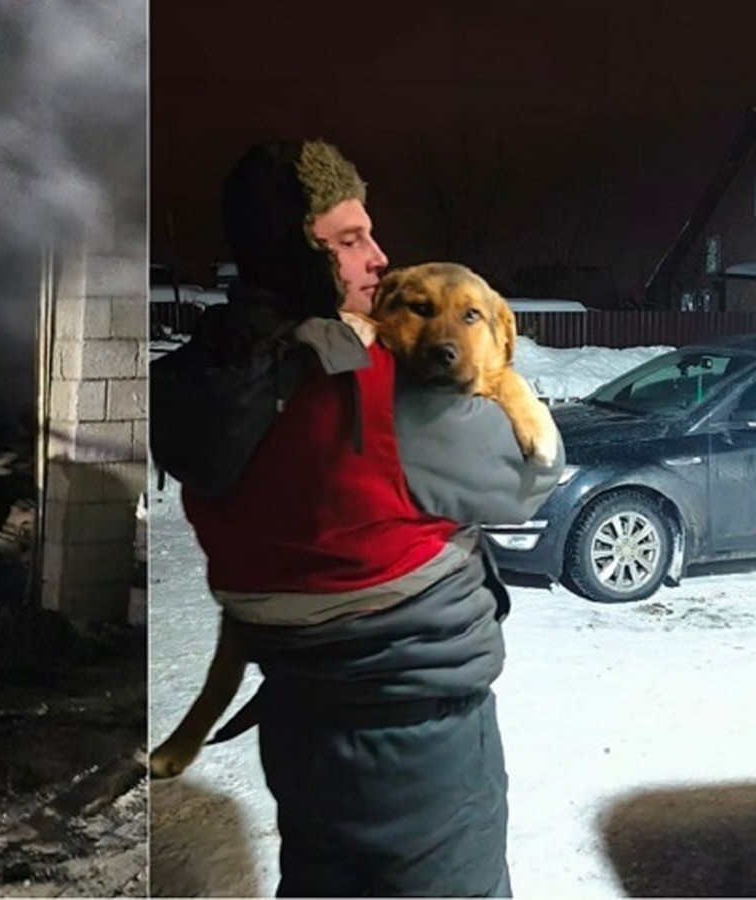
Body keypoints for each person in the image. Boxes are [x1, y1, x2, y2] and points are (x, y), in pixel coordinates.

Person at [178, 140, 565, 897]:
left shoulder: (203, 380)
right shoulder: (389, 396)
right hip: (420, 742)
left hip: (296, 722)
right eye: (349, 240)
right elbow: (530, 480)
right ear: (297, 254)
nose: (380, 257)